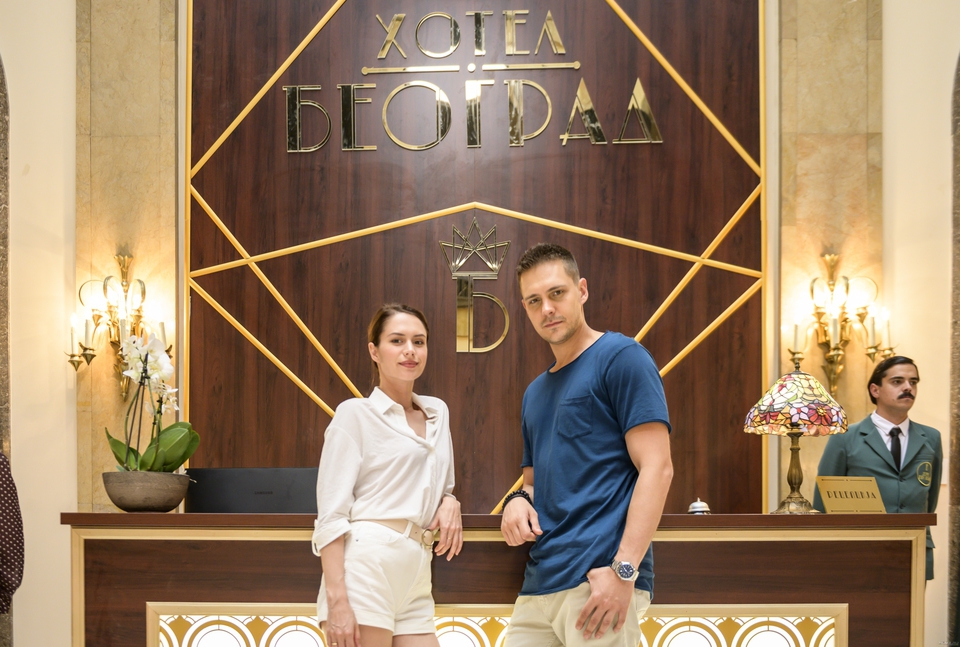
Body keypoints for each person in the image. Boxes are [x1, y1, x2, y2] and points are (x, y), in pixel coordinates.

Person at [501, 243, 674, 647]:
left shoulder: (622, 357)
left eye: (556, 293)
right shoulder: (534, 393)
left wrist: (624, 572)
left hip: (599, 583)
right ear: (525, 308)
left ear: (581, 290)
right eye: (534, 300)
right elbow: (533, 483)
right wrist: (516, 501)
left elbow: (658, 468)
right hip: (539, 587)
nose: (547, 308)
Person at [311, 304, 463, 647]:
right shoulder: (355, 414)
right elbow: (331, 515)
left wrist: (450, 500)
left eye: (419, 342)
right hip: (367, 563)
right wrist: (337, 600)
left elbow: (440, 481)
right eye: (397, 340)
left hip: (417, 569)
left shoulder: (437, 412)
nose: (410, 350)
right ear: (374, 351)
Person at [813, 355, 942, 579]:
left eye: (913, 382)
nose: (908, 388)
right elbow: (822, 503)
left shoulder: (931, 438)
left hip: (914, 551)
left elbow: (930, 500)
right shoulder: (845, 438)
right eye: (897, 381)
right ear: (875, 390)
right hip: (859, 554)